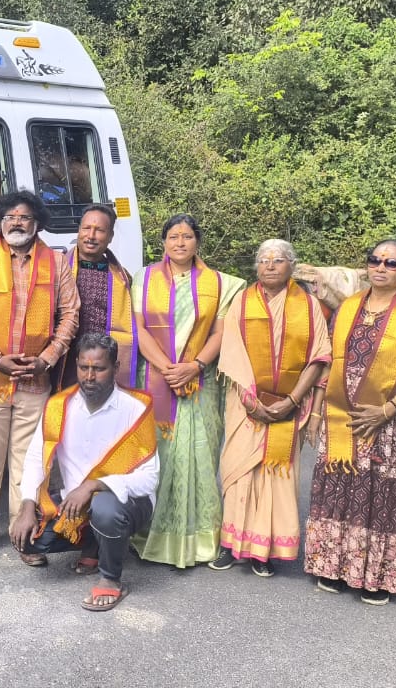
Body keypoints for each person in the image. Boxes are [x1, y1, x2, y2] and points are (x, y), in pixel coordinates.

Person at [305, 239, 396, 605]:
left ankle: (375, 575)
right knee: (338, 482)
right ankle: (332, 565)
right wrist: (316, 411)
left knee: (380, 490)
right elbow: (329, 360)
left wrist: (388, 409)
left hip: (388, 424)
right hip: (341, 417)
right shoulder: (348, 307)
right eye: (375, 261)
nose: (381, 267)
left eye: (391, 264)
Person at [0, 190, 80, 568]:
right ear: (0, 221)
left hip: (35, 380)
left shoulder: (56, 263)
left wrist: (46, 359)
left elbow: (69, 316)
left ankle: (22, 531)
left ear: (37, 222)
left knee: (28, 460)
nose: (16, 223)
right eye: (9, 216)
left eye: (24, 217)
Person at [9, 333, 159, 611]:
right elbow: (34, 458)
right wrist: (27, 505)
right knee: (28, 542)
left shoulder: (136, 407)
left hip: (126, 504)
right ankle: (92, 543)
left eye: (99, 369)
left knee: (105, 507)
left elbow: (149, 478)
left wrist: (92, 485)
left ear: (115, 368)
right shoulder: (58, 406)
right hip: (75, 507)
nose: (89, 376)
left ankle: (111, 578)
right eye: (83, 367)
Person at [129, 214, 245, 568]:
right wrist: (168, 368)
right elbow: (138, 329)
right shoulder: (143, 278)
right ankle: (154, 533)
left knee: (200, 454)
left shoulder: (221, 285)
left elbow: (220, 332)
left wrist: (193, 366)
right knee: (159, 455)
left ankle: (200, 537)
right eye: (174, 237)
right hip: (155, 378)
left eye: (188, 237)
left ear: (198, 242)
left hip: (200, 381)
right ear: (163, 242)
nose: (180, 243)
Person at [212, 240, 330, 576]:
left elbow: (319, 358)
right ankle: (230, 545)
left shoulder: (308, 306)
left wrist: (291, 401)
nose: (271, 265)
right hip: (246, 403)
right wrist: (252, 400)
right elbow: (232, 352)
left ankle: (262, 551)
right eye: (264, 260)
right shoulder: (242, 302)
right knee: (238, 470)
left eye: (279, 260)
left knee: (275, 474)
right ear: (256, 266)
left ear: (292, 265)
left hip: (289, 406)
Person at [59, 204, 137, 390]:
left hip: (102, 367)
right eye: (86, 228)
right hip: (64, 361)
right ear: (78, 230)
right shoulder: (57, 268)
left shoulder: (123, 278)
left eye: (100, 230)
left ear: (110, 236)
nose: (91, 236)